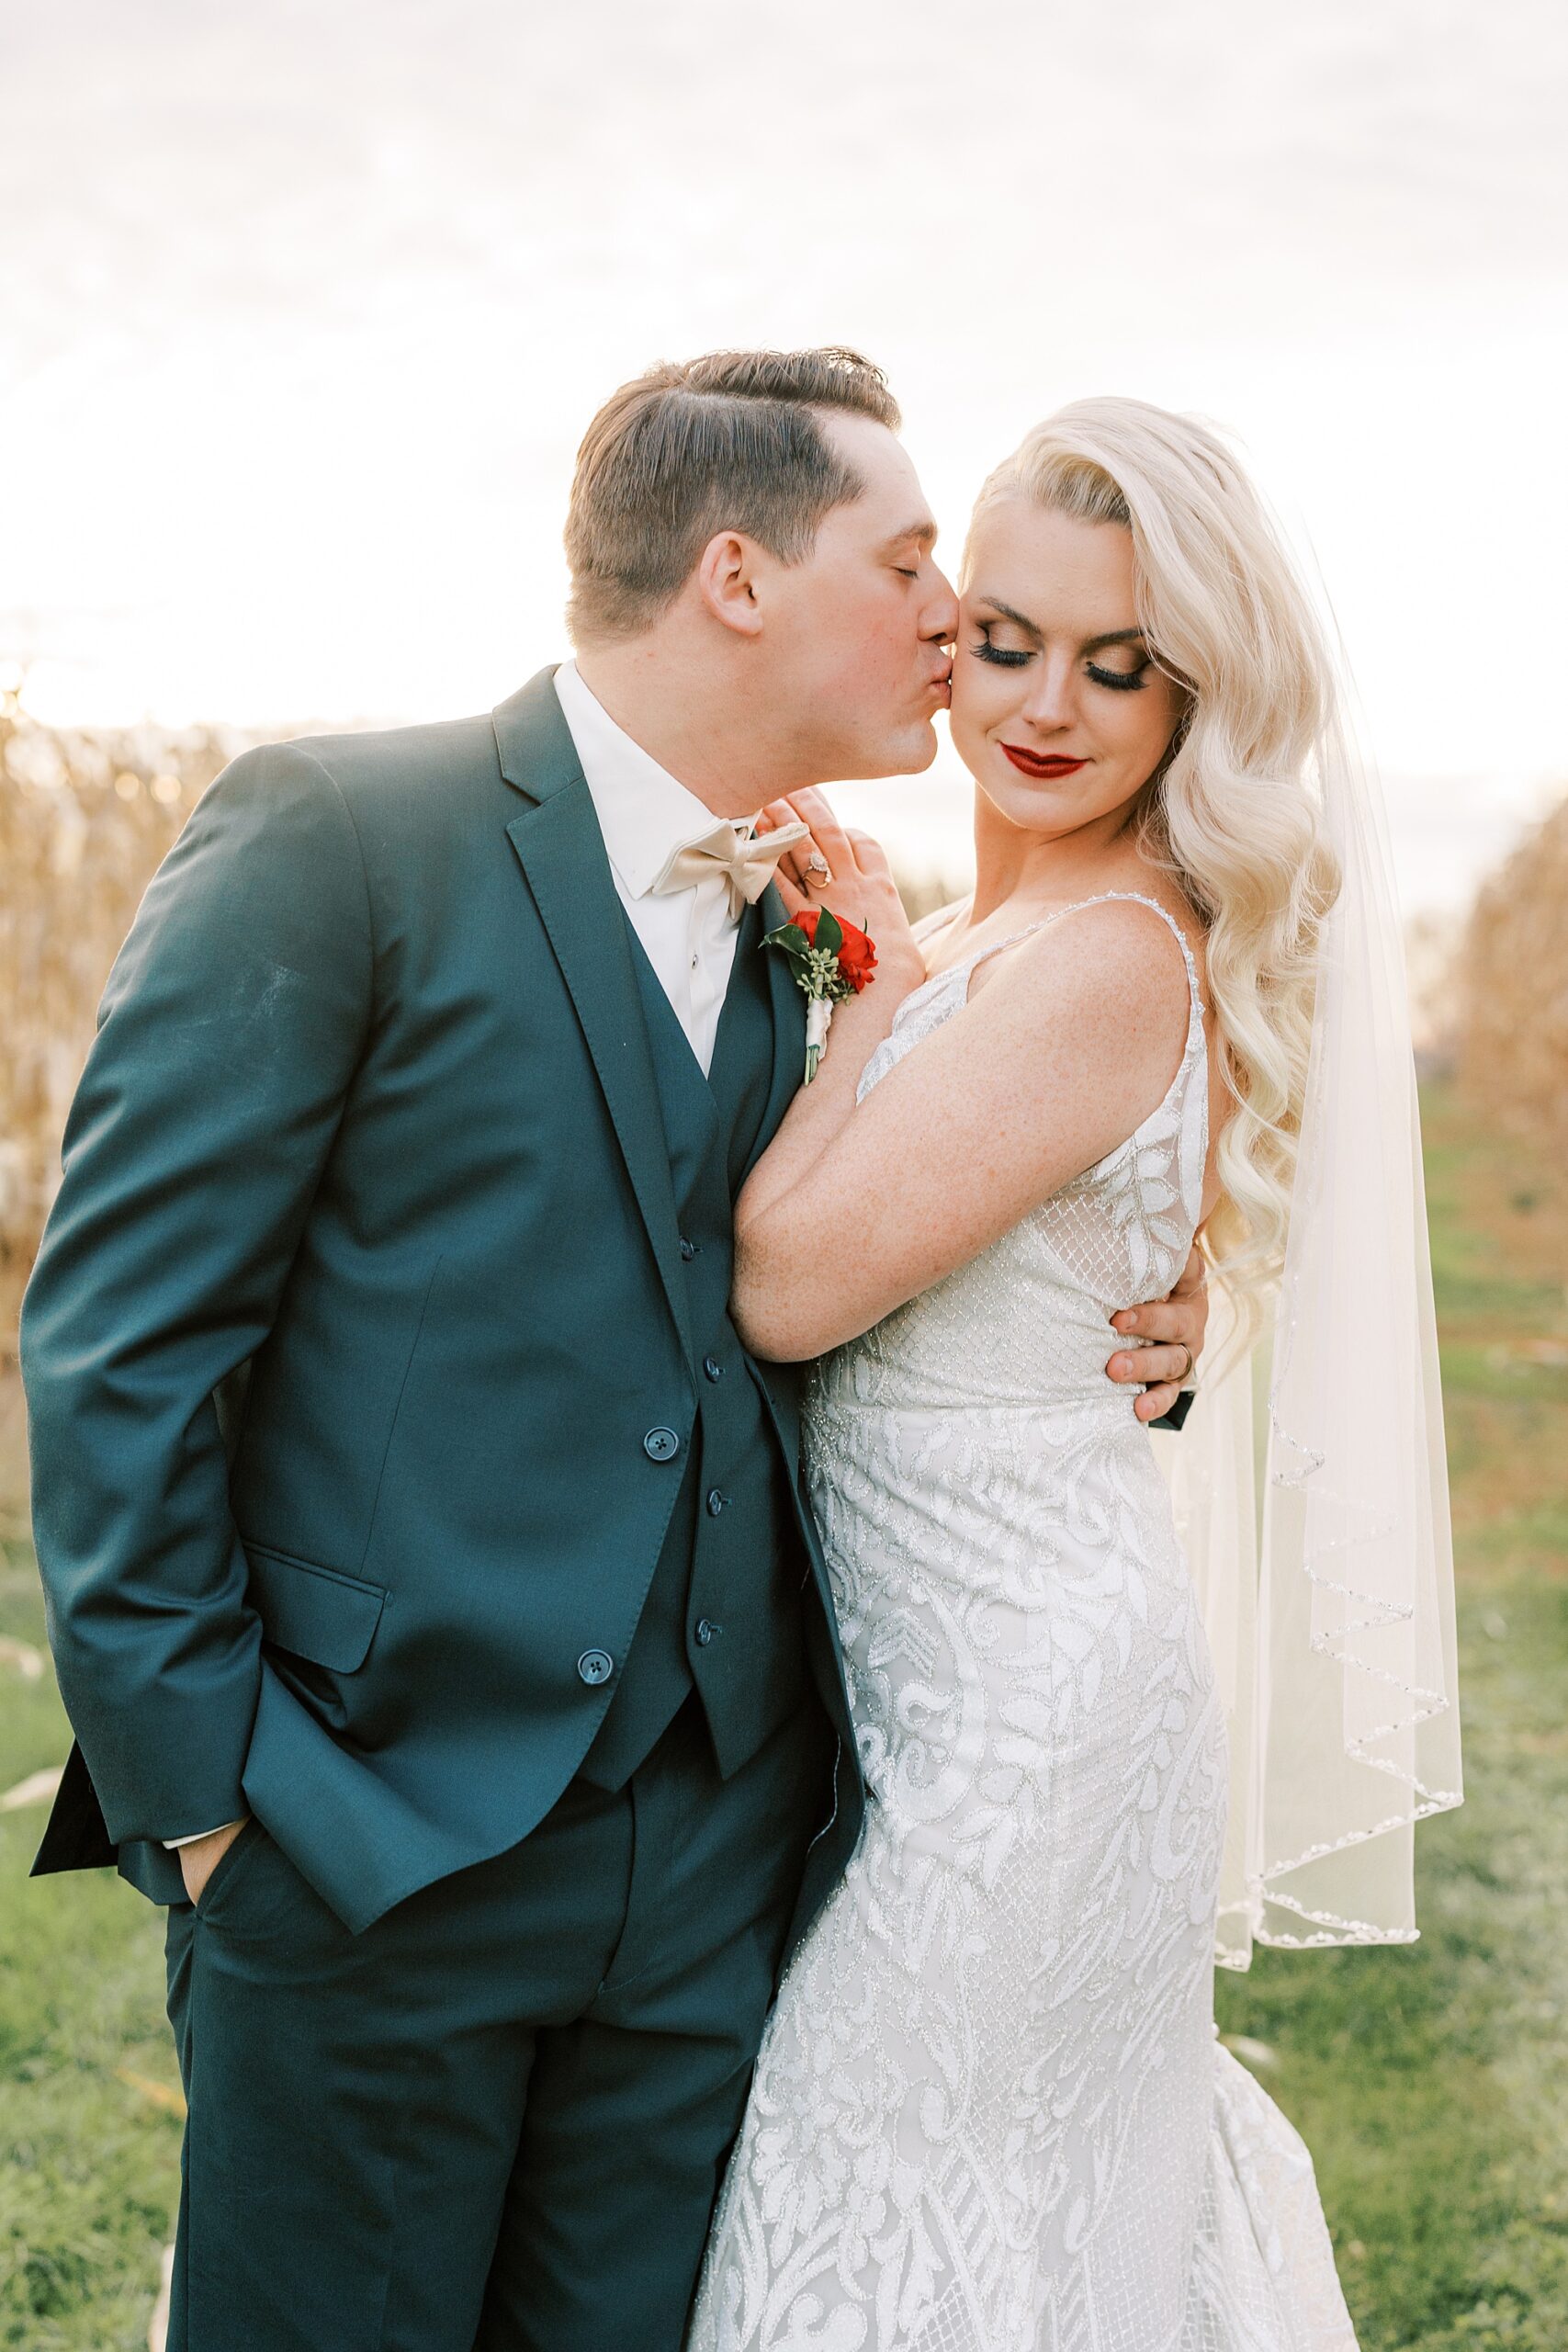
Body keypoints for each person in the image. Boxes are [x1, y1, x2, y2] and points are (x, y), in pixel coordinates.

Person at [18, 350, 1210, 2351]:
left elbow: (918, 1247)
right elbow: (121, 1343)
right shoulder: (341, 830)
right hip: (362, 1843)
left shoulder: (800, 916)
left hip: (717, 1869)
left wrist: (1162, 1330)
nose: (951, 621)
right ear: (736, 576)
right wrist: (212, 1808)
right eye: (909, 561)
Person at [687, 397, 1461, 2351]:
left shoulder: (1107, 951)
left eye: (1119, 665)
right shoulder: (993, 929)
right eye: (1009, 638)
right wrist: (894, 951)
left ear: (1193, 691)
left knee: (879, 2201)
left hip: (1030, 1743)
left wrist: (857, 983)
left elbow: (783, 1283)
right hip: (941, 1717)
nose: (1044, 702)